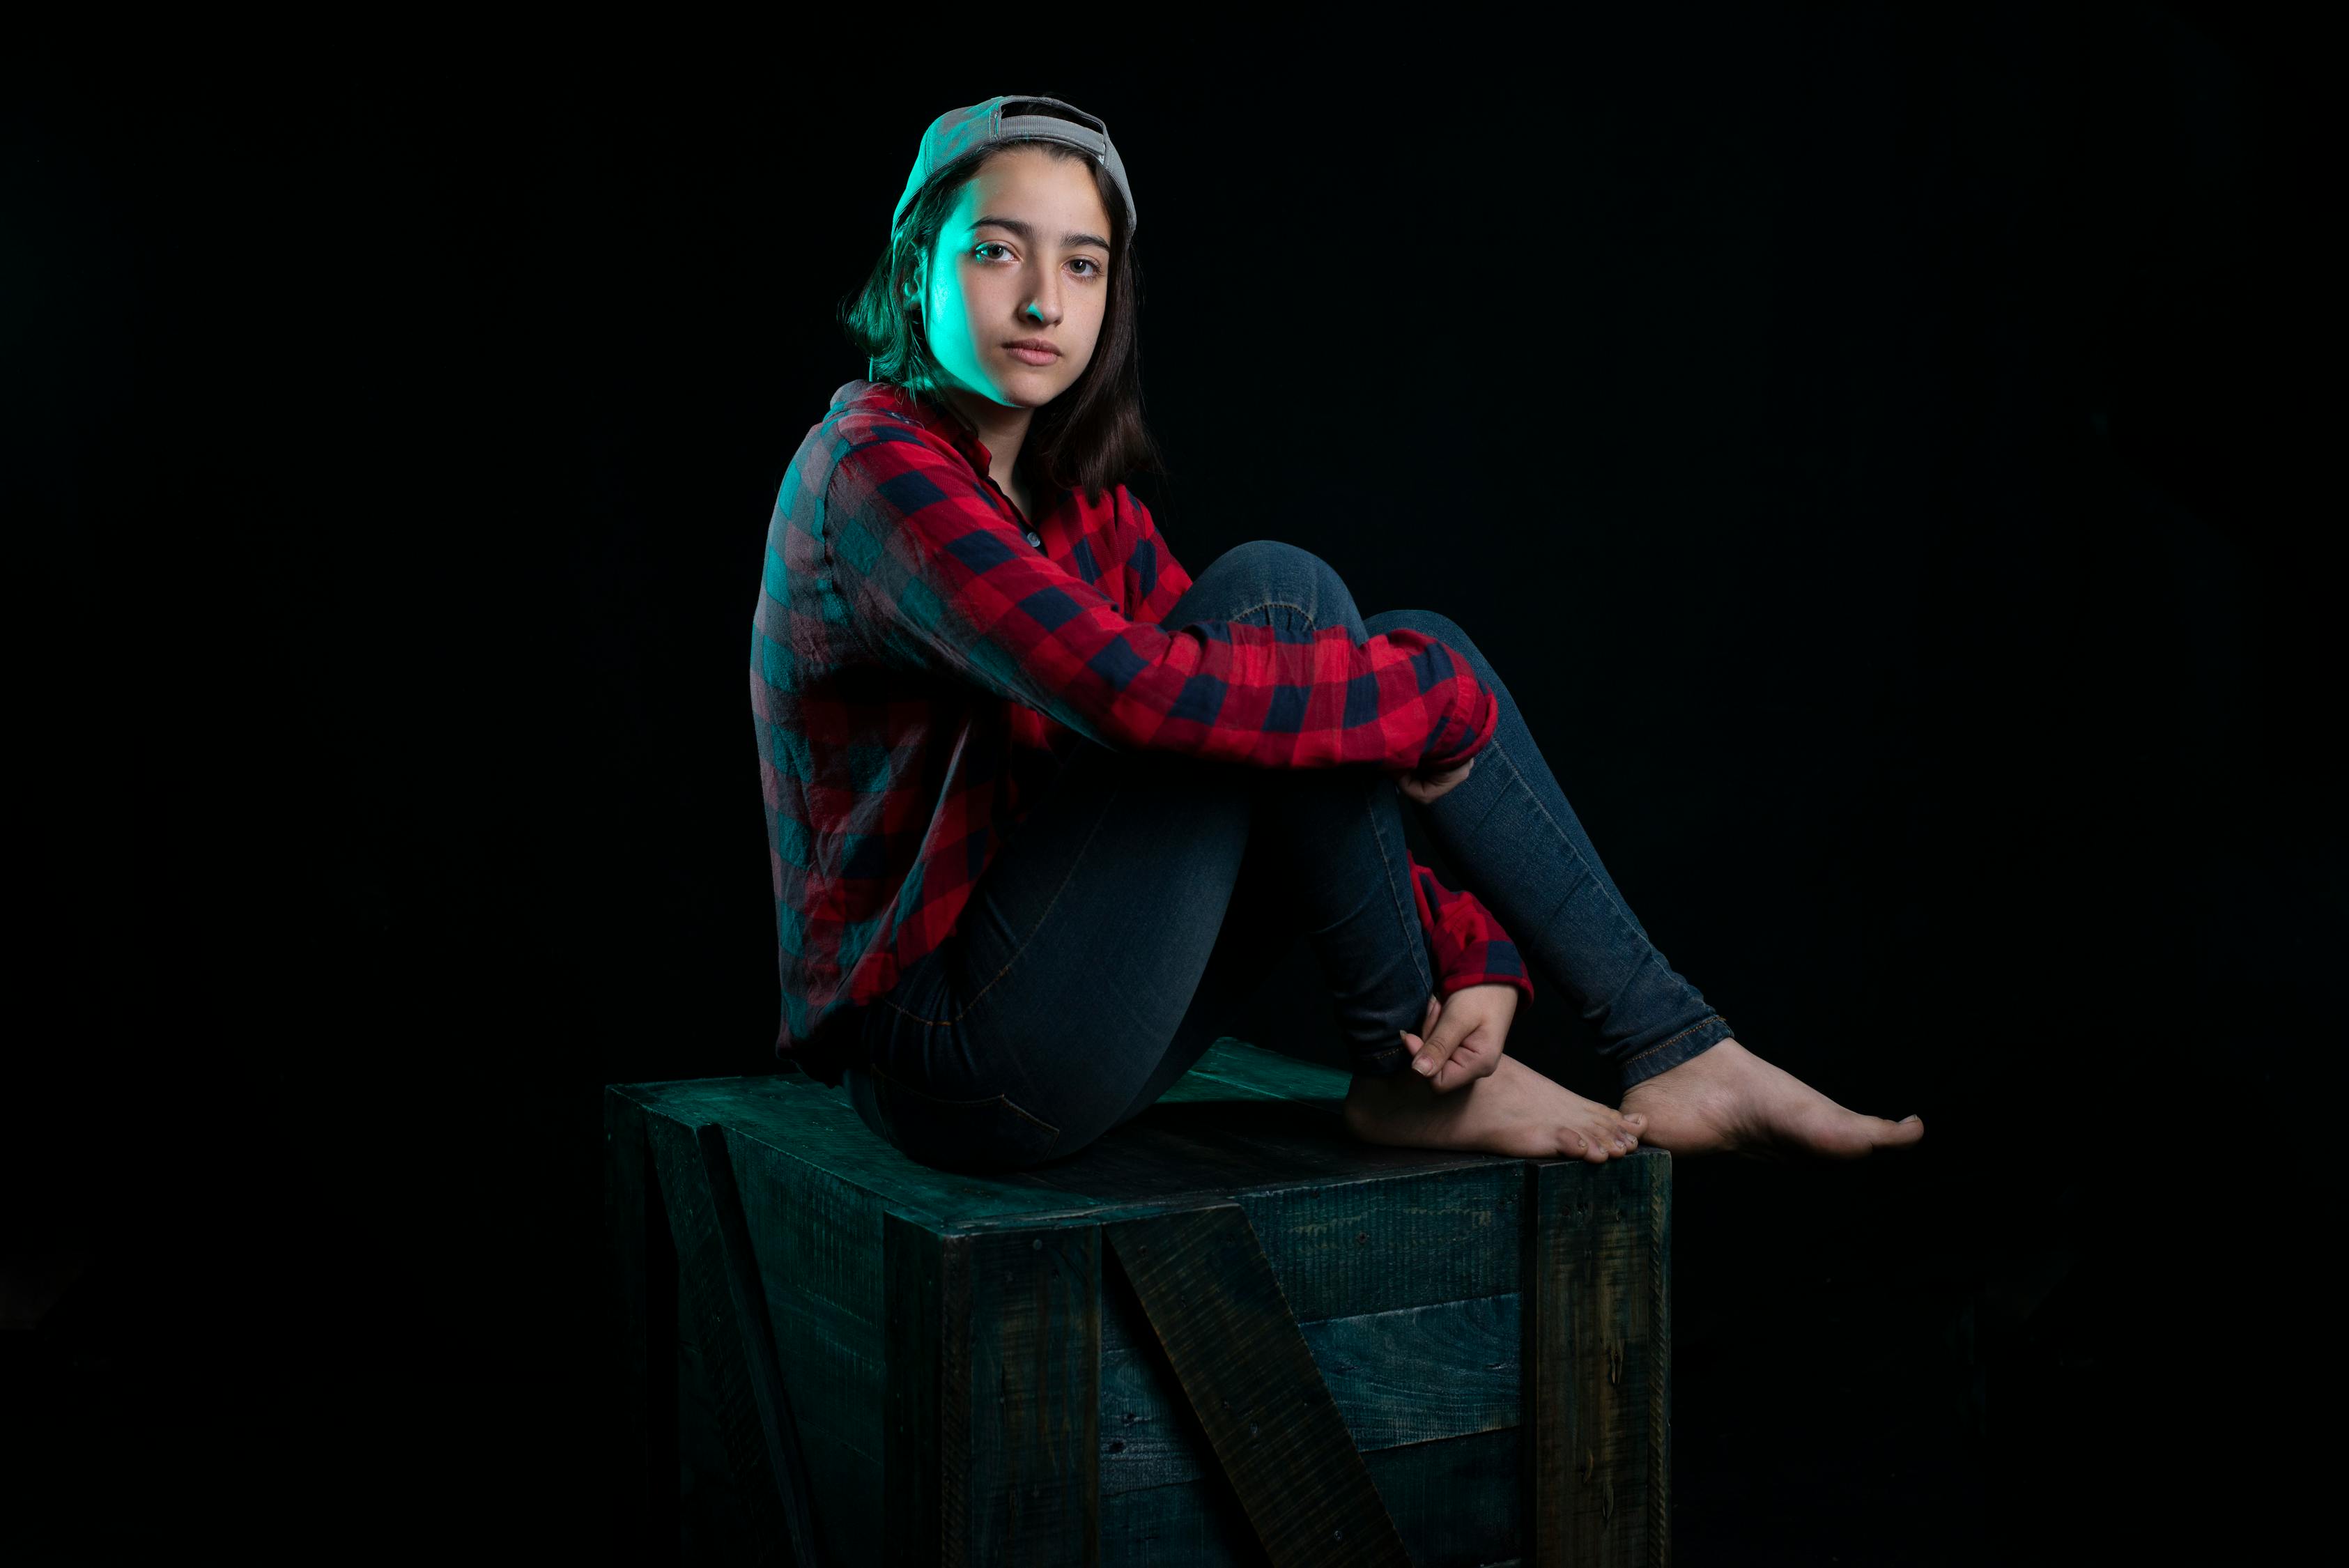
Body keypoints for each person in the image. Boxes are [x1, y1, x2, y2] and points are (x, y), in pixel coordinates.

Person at [750, 94, 1925, 1173]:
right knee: (1284, 604)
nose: (1045, 300)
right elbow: (1132, 693)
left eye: (1084, 263)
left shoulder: (1076, 501)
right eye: (997, 251)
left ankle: (1664, 1041)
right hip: (949, 1066)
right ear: (915, 267)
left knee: (1299, 655)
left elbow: (1264, 720)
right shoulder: (872, 473)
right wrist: (1441, 701)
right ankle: (1453, 1062)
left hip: (1063, 1021)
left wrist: (1466, 943)